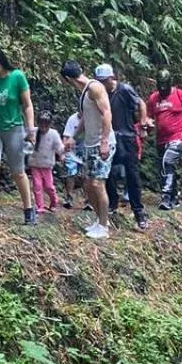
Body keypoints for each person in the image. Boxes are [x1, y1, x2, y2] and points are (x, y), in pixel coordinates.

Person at [0, 45, 36, 225]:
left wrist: (30, 129)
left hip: (14, 128)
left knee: (18, 172)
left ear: (2, 61)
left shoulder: (17, 76)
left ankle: (28, 209)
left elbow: (27, 105)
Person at [61, 60, 113, 239]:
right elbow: (84, 119)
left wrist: (104, 141)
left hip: (101, 143)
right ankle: (99, 220)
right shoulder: (85, 92)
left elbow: (107, 113)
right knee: (89, 185)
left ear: (67, 79)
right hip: (90, 144)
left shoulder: (95, 88)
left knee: (98, 184)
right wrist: (73, 137)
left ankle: (104, 226)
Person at [96, 63, 149, 232]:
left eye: (105, 80)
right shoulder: (101, 94)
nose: (103, 84)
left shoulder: (124, 89)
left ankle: (139, 212)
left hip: (127, 137)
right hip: (111, 137)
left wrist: (142, 123)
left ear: (112, 78)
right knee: (108, 171)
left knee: (132, 174)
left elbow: (140, 103)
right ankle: (113, 203)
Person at [146, 70, 182, 210]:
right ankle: (174, 197)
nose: (162, 88)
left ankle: (166, 197)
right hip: (161, 139)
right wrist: (148, 123)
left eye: (165, 85)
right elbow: (149, 116)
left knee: (167, 162)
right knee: (165, 167)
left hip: (178, 136)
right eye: (160, 85)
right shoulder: (153, 98)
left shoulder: (180, 94)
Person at [27, 113, 63, 214]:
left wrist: (64, 151)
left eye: (46, 125)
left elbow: (59, 148)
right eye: (41, 124)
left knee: (49, 186)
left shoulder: (53, 134)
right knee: (37, 186)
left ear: (50, 124)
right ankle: (40, 206)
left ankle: (54, 202)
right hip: (35, 164)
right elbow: (24, 140)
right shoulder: (33, 132)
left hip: (47, 165)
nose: (43, 127)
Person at [61, 109, 82, 207]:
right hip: (72, 150)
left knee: (87, 176)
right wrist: (64, 151)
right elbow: (66, 136)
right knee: (70, 173)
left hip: (86, 150)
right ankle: (69, 197)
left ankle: (88, 201)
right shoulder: (72, 119)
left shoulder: (91, 118)